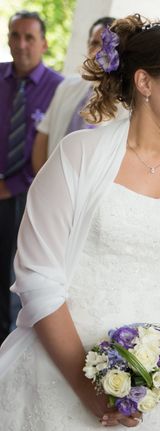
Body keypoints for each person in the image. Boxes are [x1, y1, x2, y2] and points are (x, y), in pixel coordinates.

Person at [0, 14, 160, 431]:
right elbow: (38, 276)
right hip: (58, 376)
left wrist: (150, 381)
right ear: (145, 81)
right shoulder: (78, 156)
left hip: (156, 401)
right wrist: (91, 390)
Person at [0, 10, 63, 345]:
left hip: (24, 197)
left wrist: (10, 187)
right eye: (14, 36)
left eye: (29, 37)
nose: (20, 44)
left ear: (44, 43)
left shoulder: (59, 89)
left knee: (10, 281)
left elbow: (54, 152)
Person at [32, 16, 125, 173]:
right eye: (94, 43)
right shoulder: (66, 86)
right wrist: (41, 182)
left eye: (106, 45)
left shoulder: (128, 101)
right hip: (52, 183)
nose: (98, 52)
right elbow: (43, 137)